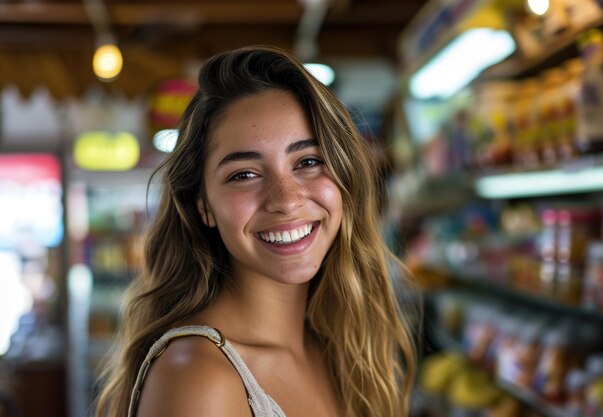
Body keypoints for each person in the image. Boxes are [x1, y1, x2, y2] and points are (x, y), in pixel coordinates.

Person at [95, 45, 417, 417]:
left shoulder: (340, 344)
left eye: (309, 161)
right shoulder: (199, 379)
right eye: (244, 174)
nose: (285, 199)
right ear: (204, 206)